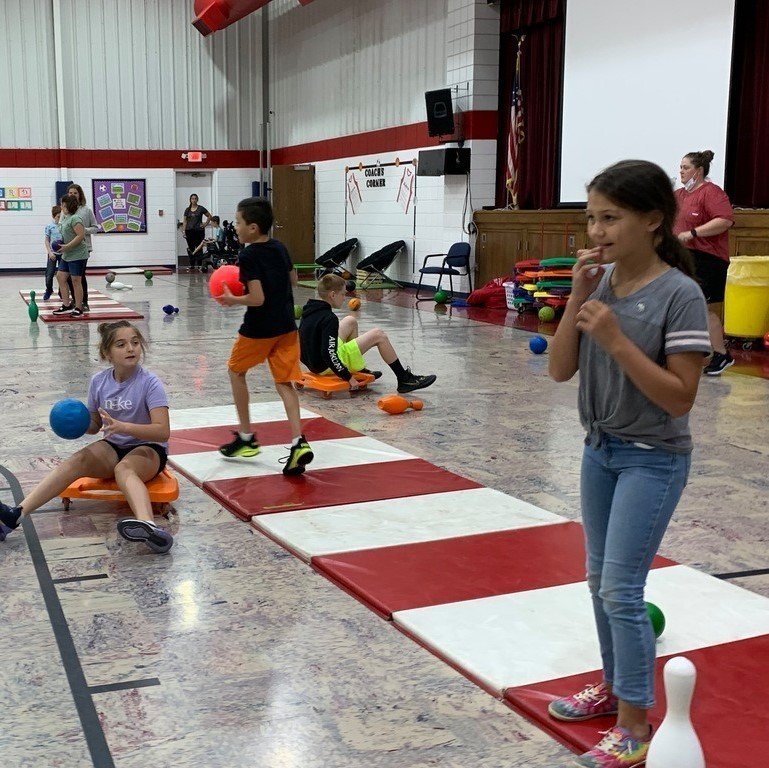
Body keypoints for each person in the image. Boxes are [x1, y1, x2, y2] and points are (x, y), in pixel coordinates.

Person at [547, 160, 710, 768]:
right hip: (601, 450)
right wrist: (578, 302)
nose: (596, 229)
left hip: (653, 460)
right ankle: (615, 688)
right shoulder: (602, 284)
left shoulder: (680, 294)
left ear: (653, 221)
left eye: (610, 217)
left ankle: (636, 725)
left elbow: (679, 396)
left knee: (621, 587)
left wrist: (615, 339)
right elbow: (561, 370)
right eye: (591, 217)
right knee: (598, 581)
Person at [0, 321, 173, 553]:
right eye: (121, 344)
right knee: (76, 460)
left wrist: (124, 427)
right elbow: (95, 425)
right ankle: (16, 515)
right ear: (107, 353)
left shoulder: (150, 383)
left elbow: (162, 431)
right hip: (114, 444)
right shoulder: (99, 382)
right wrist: (78, 424)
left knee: (125, 469)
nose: (130, 348)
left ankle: (148, 527)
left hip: (149, 448)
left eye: (134, 342)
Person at [216, 197, 313, 476]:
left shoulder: (248, 255)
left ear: (253, 227)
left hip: (259, 329)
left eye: (237, 222)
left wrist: (232, 299)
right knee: (285, 383)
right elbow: (293, 280)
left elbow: (257, 299)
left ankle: (246, 438)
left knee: (236, 371)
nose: (235, 227)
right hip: (286, 326)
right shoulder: (280, 247)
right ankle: (298, 442)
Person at [300, 274, 437, 393]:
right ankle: (404, 380)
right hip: (326, 365)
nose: (345, 298)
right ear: (333, 295)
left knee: (350, 320)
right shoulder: (329, 318)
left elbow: (302, 341)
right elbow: (328, 354)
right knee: (379, 335)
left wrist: (310, 363)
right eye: (343, 294)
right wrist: (348, 377)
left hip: (314, 362)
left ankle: (359, 369)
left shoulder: (309, 311)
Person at [674, 150, 735, 375]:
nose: (681, 171)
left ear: (698, 171)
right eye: (680, 167)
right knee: (683, 304)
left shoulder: (711, 193)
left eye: (685, 167)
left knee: (702, 306)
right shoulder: (679, 195)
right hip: (684, 258)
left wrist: (692, 233)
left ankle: (722, 354)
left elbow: (725, 220)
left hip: (708, 259)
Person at [53, 194, 90, 317]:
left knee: (76, 280)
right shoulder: (65, 218)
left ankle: (79, 307)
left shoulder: (75, 219)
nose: (61, 207)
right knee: (60, 277)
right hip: (67, 254)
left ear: (68, 205)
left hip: (78, 254)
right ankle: (66, 305)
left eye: (63, 205)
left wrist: (67, 246)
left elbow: (81, 236)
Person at [66, 184, 99, 313]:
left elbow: (96, 228)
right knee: (68, 276)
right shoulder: (66, 210)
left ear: (80, 195)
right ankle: (75, 300)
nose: (72, 195)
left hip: (83, 247)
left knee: (79, 275)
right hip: (68, 248)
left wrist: (82, 231)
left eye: (75, 193)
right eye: (70, 193)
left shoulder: (86, 210)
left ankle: (84, 302)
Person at [182, 194, 212, 271]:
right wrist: (183, 231)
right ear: (190, 200)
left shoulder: (201, 208)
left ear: (197, 200)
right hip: (189, 231)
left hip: (199, 231)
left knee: (199, 248)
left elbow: (209, 216)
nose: (194, 200)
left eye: (195, 199)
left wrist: (205, 224)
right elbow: (185, 221)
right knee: (191, 248)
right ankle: (192, 265)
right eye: (192, 198)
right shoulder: (187, 210)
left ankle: (199, 265)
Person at [43, 205, 62, 301]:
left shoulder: (64, 226)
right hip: (52, 254)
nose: (60, 218)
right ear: (54, 216)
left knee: (62, 275)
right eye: (58, 216)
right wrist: (50, 253)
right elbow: (46, 241)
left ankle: (62, 291)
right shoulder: (49, 227)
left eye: (61, 217)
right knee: (49, 275)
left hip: (63, 254)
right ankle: (49, 289)